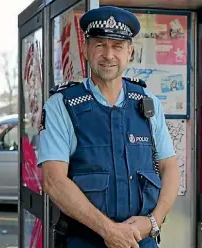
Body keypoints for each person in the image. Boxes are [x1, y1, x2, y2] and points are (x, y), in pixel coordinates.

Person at [38, 6, 180, 248]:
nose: (108, 55)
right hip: (84, 241)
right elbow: (53, 180)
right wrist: (109, 231)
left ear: (130, 52)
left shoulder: (147, 102)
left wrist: (154, 221)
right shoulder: (61, 106)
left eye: (117, 46)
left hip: (141, 240)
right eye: (100, 44)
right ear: (85, 49)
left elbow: (170, 168)